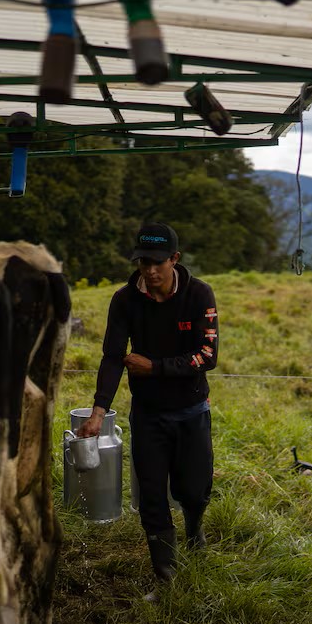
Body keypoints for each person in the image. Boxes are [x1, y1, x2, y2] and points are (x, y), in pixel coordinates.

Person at [79, 222, 218, 586]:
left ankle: (194, 527)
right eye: (143, 263)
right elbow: (112, 357)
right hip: (148, 414)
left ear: (174, 259)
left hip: (191, 410)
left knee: (193, 488)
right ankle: (165, 573)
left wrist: (153, 367)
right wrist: (98, 412)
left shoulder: (199, 295)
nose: (151, 271)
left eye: (158, 262)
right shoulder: (125, 300)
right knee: (153, 494)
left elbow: (208, 355)